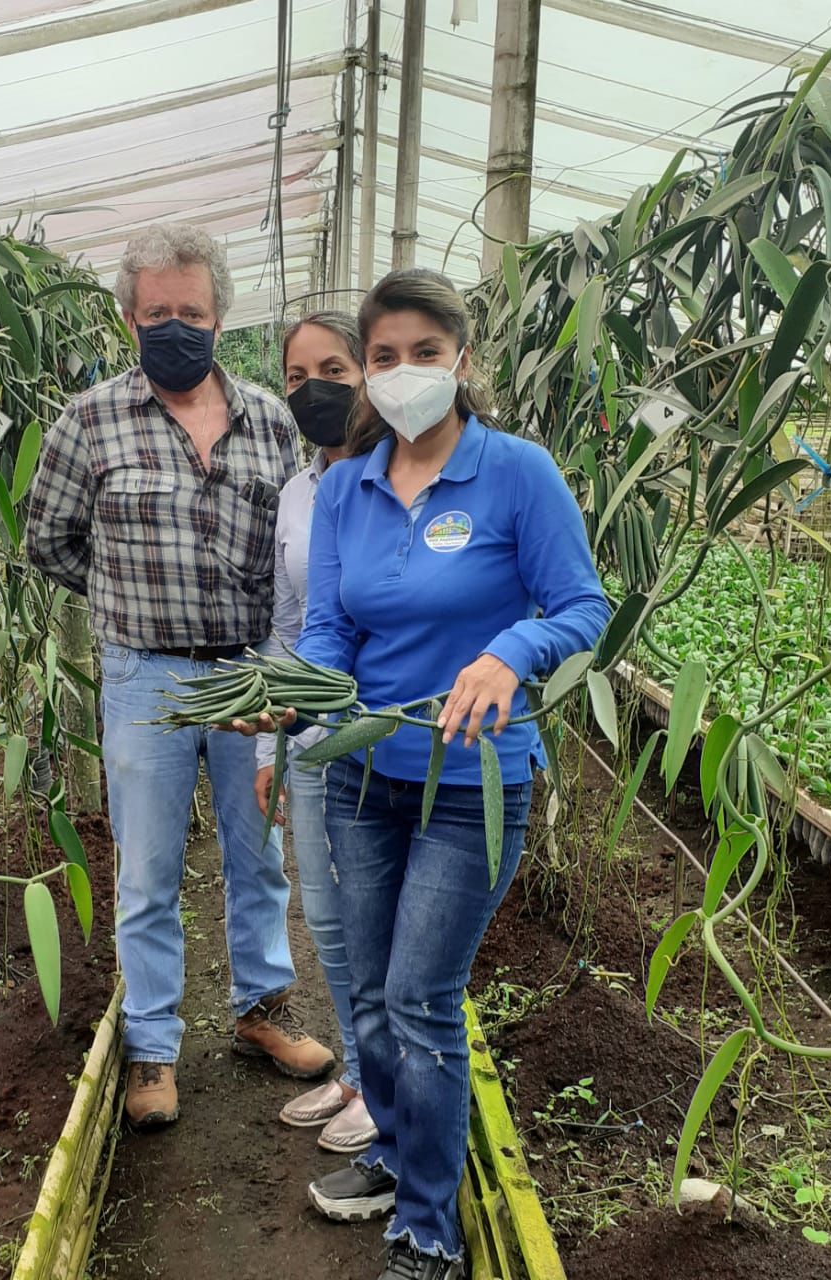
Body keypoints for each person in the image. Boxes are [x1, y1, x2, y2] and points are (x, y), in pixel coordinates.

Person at [244, 269, 610, 1280]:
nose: (404, 372)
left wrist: (510, 653)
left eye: (425, 352)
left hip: (471, 783)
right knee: (366, 995)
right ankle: (400, 1156)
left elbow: (583, 605)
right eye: (385, 355)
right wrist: (291, 695)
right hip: (365, 778)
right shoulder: (347, 487)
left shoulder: (516, 473)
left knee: (418, 997)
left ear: (462, 358)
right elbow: (331, 631)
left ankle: (429, 1228)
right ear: (366, 370)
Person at [26, 222, 334, 1130]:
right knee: (149, 868)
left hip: (250, 671)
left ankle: (262, 1009)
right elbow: (50, 539)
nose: (175, 327)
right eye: (157, 312)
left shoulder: (270, 421)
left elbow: (295, 539)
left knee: (259, 853)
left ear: (218, 318)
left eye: (191, 313)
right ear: (130, 319)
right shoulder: (89, 421)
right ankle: (153, 1046)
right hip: (146, 678)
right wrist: (129, 599)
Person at [254, 313, 376, 1154]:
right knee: (326, 916)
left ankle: (389, 1082)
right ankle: (360, 1074)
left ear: (367, 372)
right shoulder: (297, 494)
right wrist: (271, 743)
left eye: (333, 368)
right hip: (310, 737)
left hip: (389, 736)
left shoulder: (402, 473)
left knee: (376, 916)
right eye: (297, 377)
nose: (314, 389)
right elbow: (287, 625)